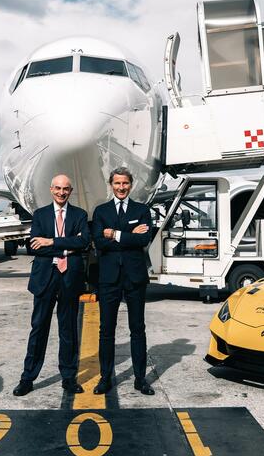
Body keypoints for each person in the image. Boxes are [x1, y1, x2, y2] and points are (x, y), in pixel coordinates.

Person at [13, 174, 90, 396]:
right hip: (45, 278)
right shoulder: (40, 215)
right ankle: (27, 377)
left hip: (69, 278)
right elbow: (35, 247)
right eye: (57, 188)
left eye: (65, 189)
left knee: (68, 331)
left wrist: (52, 241)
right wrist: (68, 246)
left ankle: (68, 377)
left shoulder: (79, 215)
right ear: (51, 189)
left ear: (71, 191)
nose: (61, 192)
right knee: (39, 328)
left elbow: (84, 242)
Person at [91, 167, 159, 396]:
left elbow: (143, 239)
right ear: (111, 185)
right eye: (117, 183)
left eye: (125, 184)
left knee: (137, 329)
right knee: (106, 330)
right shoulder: (101, 211)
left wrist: (115, 234)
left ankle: (140, 379)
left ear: (131, 185)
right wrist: (129, 234)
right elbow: (99, 242)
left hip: (134, 277)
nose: (121, 187)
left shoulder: (142, 210)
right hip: (109, 278)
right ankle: (105, 377)